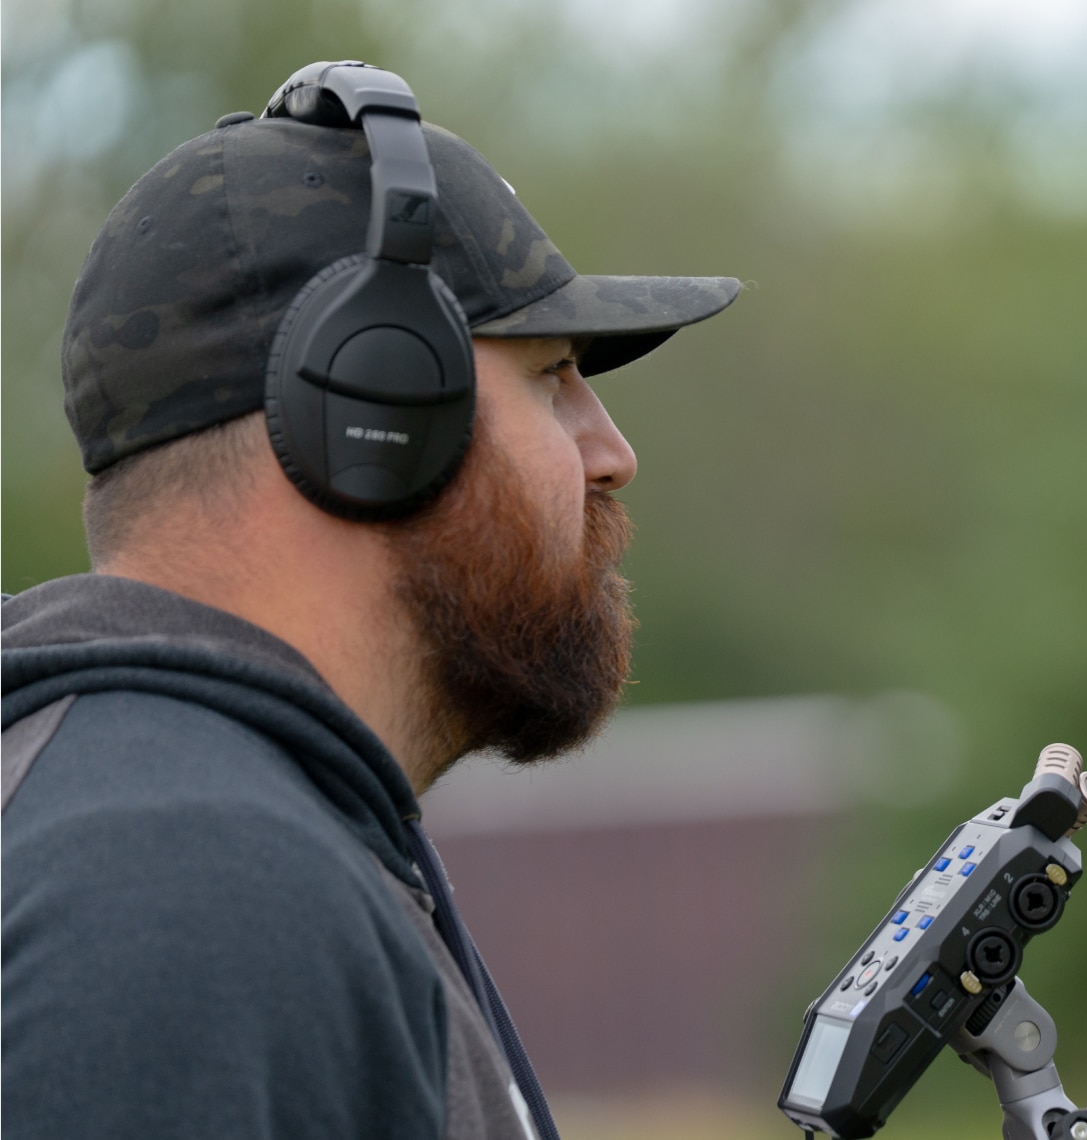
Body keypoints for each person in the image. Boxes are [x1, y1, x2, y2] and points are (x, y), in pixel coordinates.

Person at [1, 62, 738, 1139]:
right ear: (374, 411)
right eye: (550, 376)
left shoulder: (216, 831)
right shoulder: (184, 886)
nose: (611, 452)